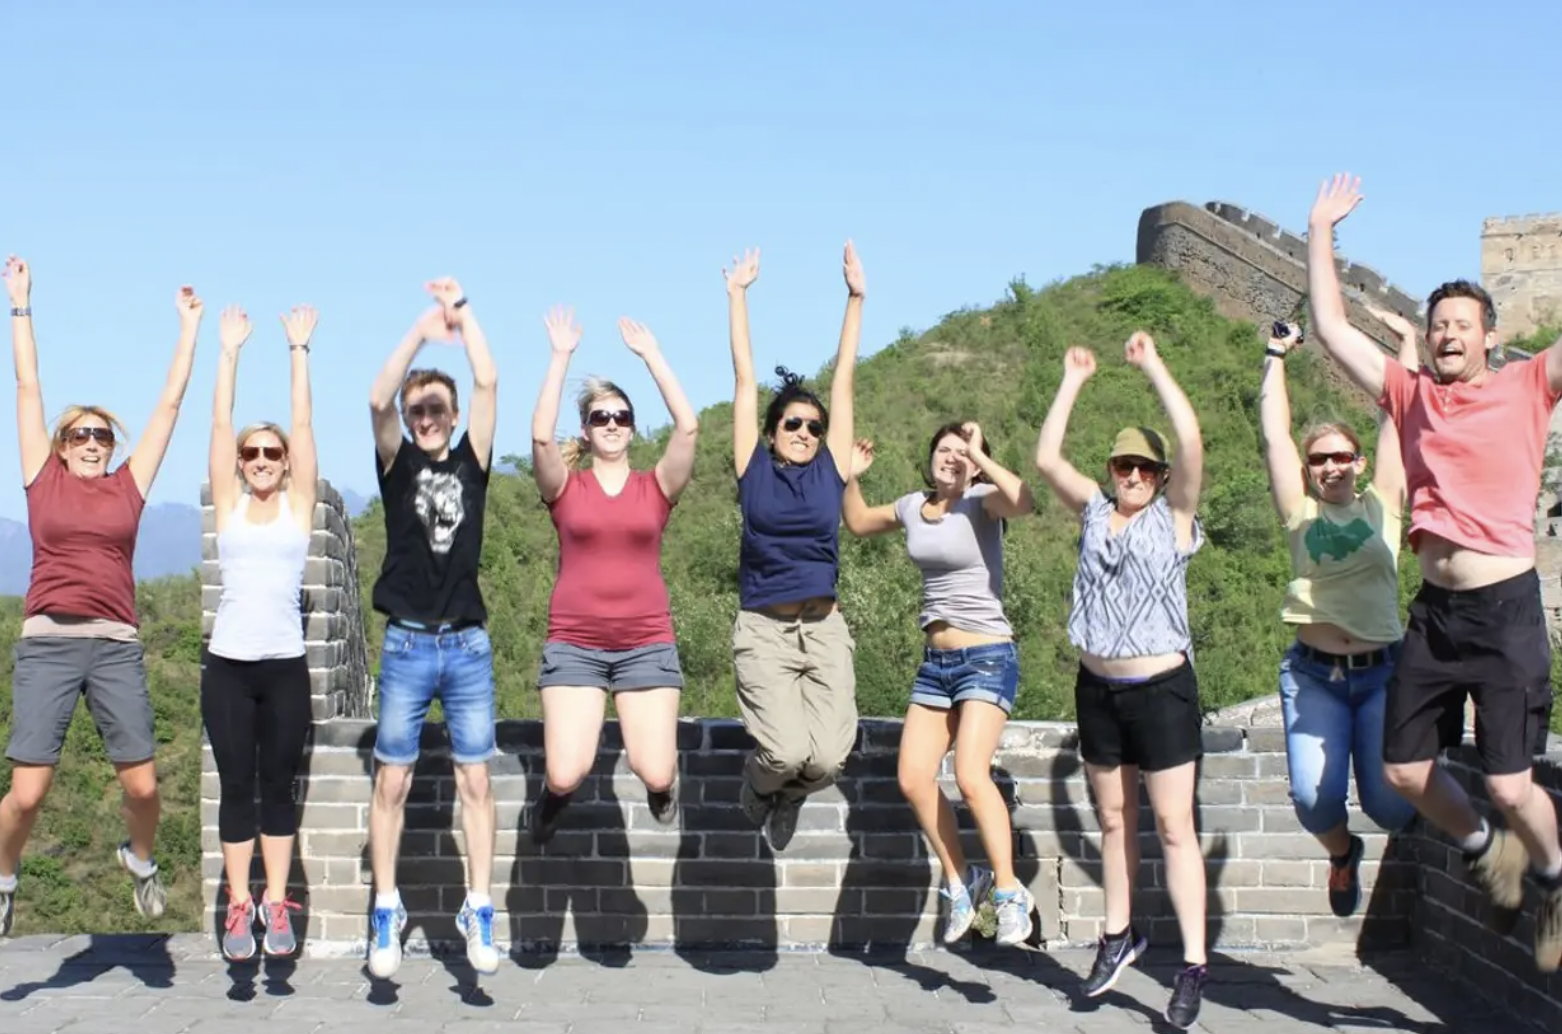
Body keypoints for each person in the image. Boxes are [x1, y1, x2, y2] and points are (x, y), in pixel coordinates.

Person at [1306, 173, 1562, 973]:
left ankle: (1552, 874)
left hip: (1507, 610)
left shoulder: (1528, 386)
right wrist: (1320, 230)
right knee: (1405, 772)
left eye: (1464, 324)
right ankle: (1491, 852)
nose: (1449, 333)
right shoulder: (1409, 394)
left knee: (1515, 786)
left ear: (1490, 336)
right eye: (1439, 323)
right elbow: (1330, 325)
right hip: (1435, 614)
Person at [0, 256, 202, 935]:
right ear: (59, 446)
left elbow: (169, 407)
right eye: (80, 435)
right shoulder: (41, 480)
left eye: (102, 435)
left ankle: (139, 860)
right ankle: (3, 876)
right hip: (50, 644)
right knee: (27, 797)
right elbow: (28, 386)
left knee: (143, 788)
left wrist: (189, 330)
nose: (93, 442)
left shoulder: (128, 486)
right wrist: (20, 302)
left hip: (114, 646)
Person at [1033, 333, 1209, 1029]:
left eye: (1144, 467)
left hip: (1162, 691)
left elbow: (1190, 438)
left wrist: (1154, 365)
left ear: (1160, 476)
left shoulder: (1175, 518)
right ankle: (1118, 932)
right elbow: (1047, 459)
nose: (1132, 475)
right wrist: (1073, 380)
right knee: (1113, 820)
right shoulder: (1093, 511)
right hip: (1097, 687)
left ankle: (1192, 963)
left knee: (1171, 826)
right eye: (1122, 465)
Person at [841, 421, 1038, 947]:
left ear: (975, 464)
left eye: (963, 452)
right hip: (936, 664)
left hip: (988, 657)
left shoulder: (982, 502)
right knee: (912, 777)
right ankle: (959, 880)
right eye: (944, 449)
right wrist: (852, 477)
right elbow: (858, 522)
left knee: (973, 775)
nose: (952, 457)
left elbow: (1025, 499)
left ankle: (1009, 891)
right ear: (929, 457)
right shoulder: (911, 507)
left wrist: (980, 454)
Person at [1258, 319, 1418, 919]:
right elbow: (1274, 436)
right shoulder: (1299, 514)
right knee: (1313, 802)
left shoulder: (1383, 507)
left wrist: (1405, 350)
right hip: (1313, 677)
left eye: (1342, 456)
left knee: (1391, 808)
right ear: (1310, 468)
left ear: (1356, 461)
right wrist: (1276, 355)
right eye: (1320, 459)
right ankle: (1341, 853)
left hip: (1382, 673)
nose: (1332, 466)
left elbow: (1396, 420)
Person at [364, 279, 500, 978]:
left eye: (435, 407)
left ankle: (479, 905)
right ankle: (385, 909)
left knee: (476, 782)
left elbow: (488, 377)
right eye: (418, 409)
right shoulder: (397, 465)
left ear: (452, 414)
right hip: (409, 641)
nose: (425, 417)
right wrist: (419, 331)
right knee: (393, 782)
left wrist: (464, 312)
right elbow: (375, 397)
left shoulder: (473, 463)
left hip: (467, 644)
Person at [525, 309, 699, 844]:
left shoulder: (656, 487)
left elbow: (689, 427)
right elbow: (539, 441)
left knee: (658, 772)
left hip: (645, 642)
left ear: (632, 426)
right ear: (586, 428)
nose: (612, 425)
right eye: (601, 417)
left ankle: (662, 789)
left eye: (621, 416)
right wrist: (560, 358)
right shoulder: (566, 489)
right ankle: (552, 802)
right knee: (564, 773)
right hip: (576, 643)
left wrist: (652, 358)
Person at [724, 242, 864, 851]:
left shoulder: (831, 468)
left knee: (829, 760)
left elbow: (845, 381)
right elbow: (744, 379)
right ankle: (761, 787)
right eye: (793, 424)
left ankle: (790, 794)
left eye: (813, 426)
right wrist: (737, 296)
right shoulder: (751, 468)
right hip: (764, 629)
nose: (806, 432)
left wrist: (856, 298)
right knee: (782, 751)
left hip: (824, 628)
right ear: (772, 433)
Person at [203, 303, 320, 960]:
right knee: (236, 787)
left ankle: (277, 904)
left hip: (283, 667)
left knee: (277, 787)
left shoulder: (299, 509)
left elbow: (302, 425)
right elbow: (219, 424)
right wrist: (229, 352)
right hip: (227, 667)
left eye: (271, 452)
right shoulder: (231, 505)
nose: (262, 459)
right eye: (252, 453)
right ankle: (237, 902)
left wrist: (297, 352)